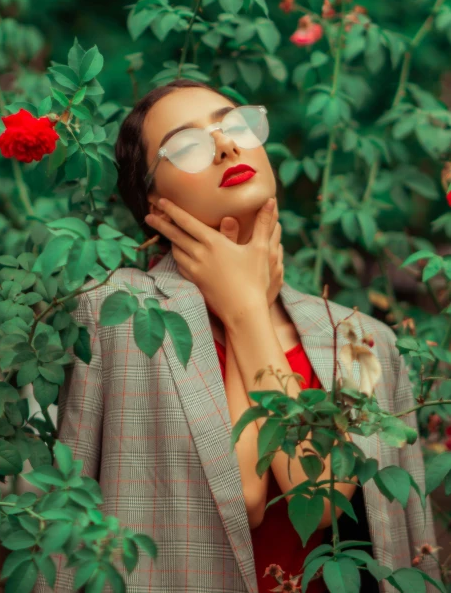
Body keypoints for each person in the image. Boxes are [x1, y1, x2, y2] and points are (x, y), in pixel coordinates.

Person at [35, 79, 440, 593]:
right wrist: (245, 307)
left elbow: (318, 500)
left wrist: (246, 310)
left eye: (237, 127)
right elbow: (242, 497)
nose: (226, 146)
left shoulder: (363, 338)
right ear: (154, 202)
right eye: (187, 146)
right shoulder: (116, 315)